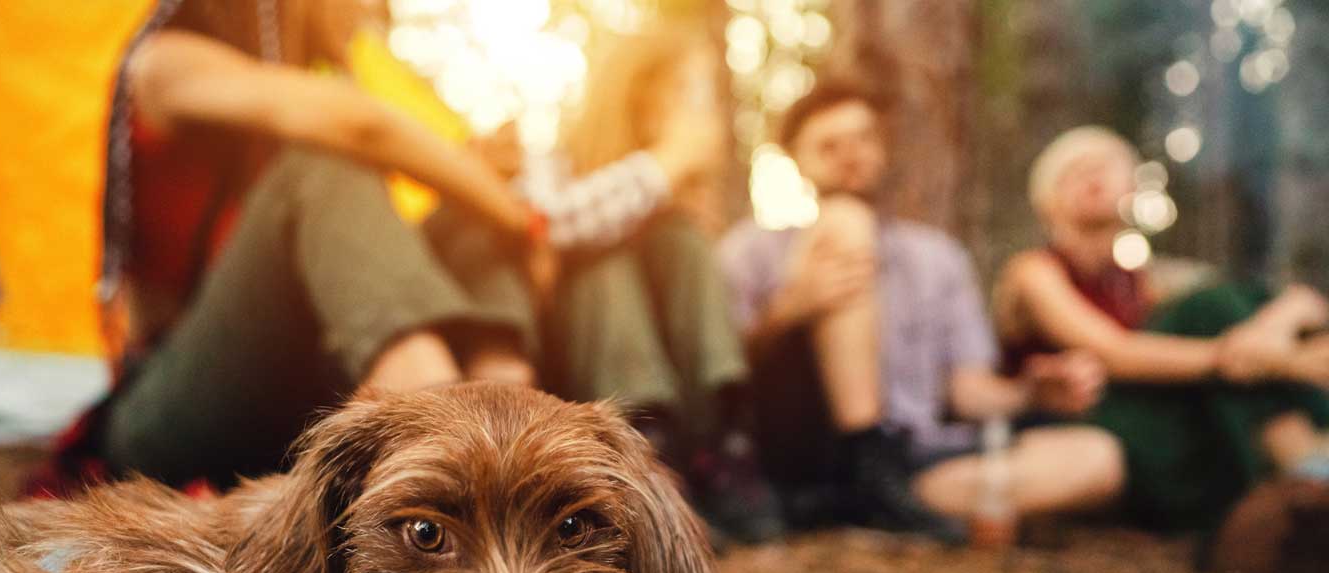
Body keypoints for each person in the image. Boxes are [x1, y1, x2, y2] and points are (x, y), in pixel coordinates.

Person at [79, 0, 551, 490]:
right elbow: (361, 126)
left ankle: (510, 409)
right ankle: (436, 430)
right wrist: (521, 223)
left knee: (467, 216)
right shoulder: (163, 62)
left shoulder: (284, 101)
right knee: (326, 163)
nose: (368, 17)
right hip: (167, 410)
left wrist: (493, 205)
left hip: (289, 393)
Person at [718, 80, 1125, 541]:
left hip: (912, 455)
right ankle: (865, 463)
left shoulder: (938, 257)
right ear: (796, 160)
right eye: (829, 146)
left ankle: (876, 504)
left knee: (1099, 458)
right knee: (846, 219)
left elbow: (966, 393)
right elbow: (720, 384)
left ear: (884, 146)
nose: (850, 155)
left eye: (863, 138)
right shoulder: (749, 251)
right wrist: (788, 309)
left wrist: (1029, 392)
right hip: (802, 450)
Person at [513, 25, 784, 545]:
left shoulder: (686, 204)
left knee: (681, 237)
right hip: (575, 379)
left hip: (684, 394)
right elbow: (554, 223)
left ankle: (724, 450)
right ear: (643, 92)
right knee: (602, 257)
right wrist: (668, 164)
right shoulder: (552, 163)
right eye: (688, 90)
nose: (700, 111)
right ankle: (645, 455)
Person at [996, 126, 1329, 536]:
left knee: (1221, 305)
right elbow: (1114, 354)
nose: (1093, 177)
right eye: (1076, 170)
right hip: (1080, 432)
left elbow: (1247, 299)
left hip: (1144, 432)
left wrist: (1286, 313)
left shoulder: (1139, 279)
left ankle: (1303, 473)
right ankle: (1305, 466)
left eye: (1105, 167)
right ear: (1048, 195)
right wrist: (1279, 363)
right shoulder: (1033, 272)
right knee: (1207, 310)